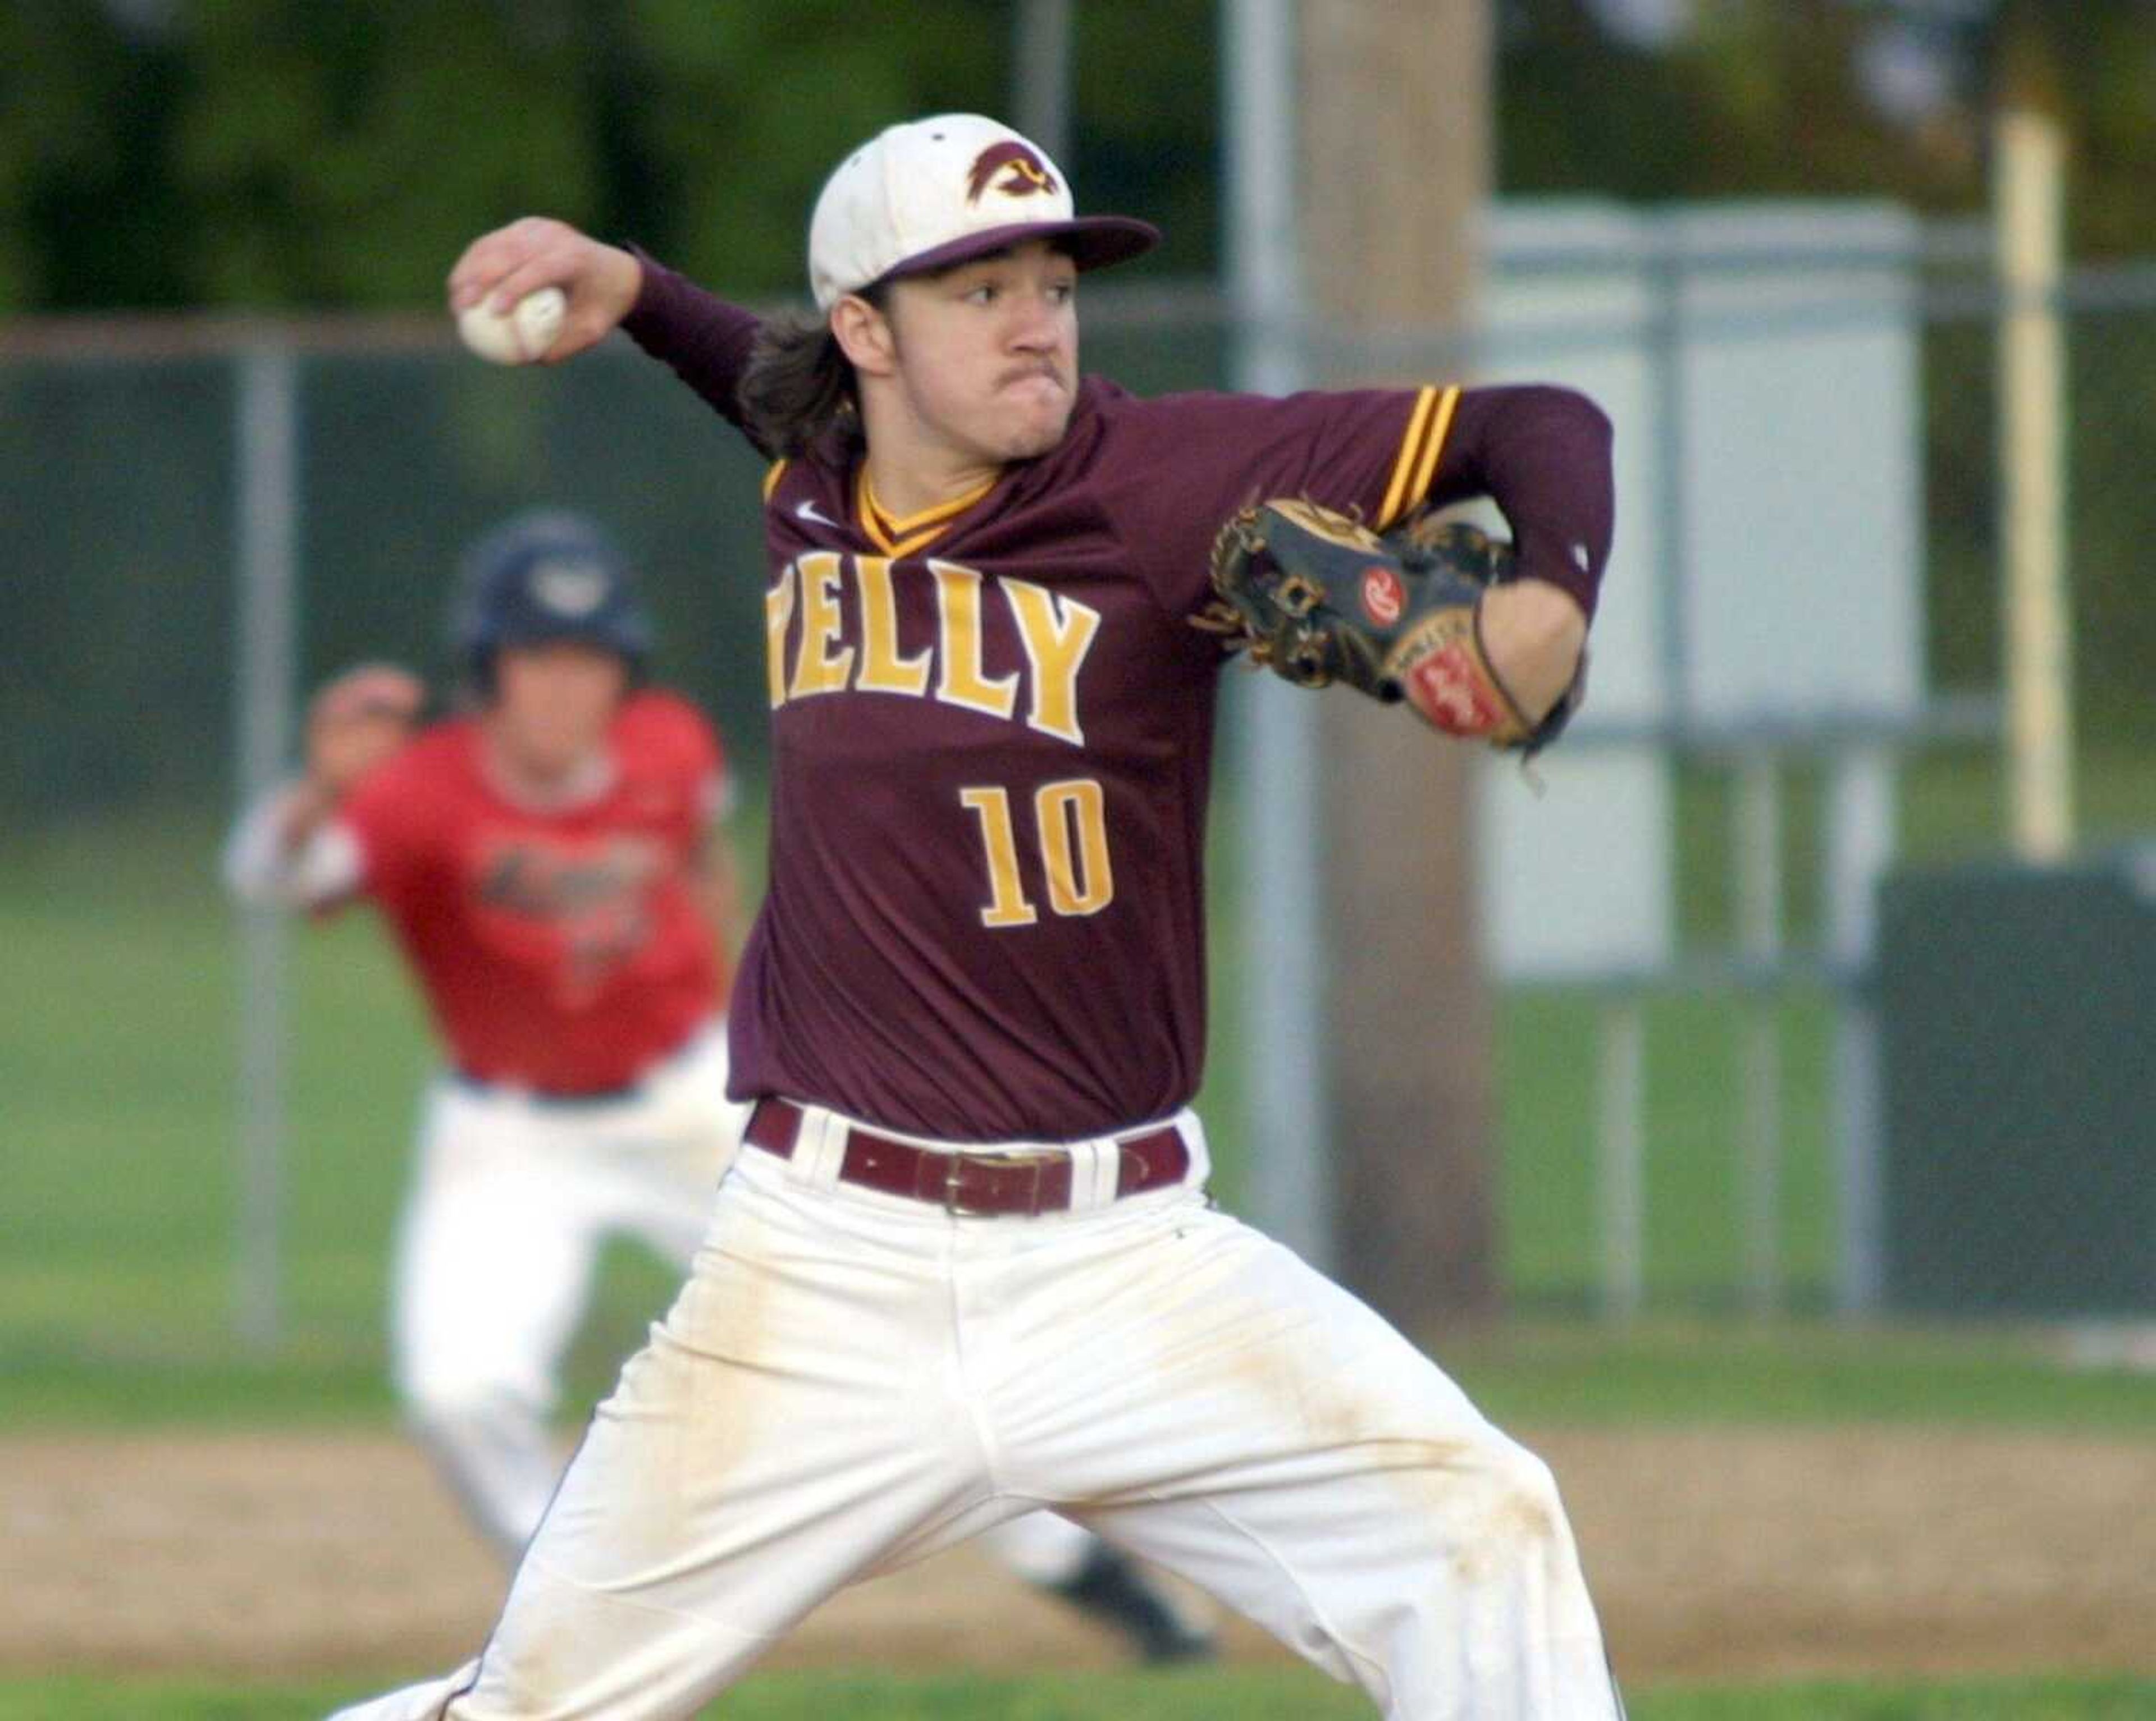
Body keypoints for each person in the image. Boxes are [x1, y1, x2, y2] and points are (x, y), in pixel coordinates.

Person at [332, 111, 1624, 1720]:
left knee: (1483, 1532)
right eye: (977, 286)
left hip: (1128, 1268)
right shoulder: (818, 470)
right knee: (533, 1704)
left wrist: (1550, 597)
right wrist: (640, 291)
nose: (1036, 318)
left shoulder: (1165, 486)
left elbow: (1535, 419)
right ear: (866, 334)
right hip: (819, 1273)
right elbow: (752, 363)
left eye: (1052, 280)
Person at [224, 507, 1211, 1664]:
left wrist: (764, 1015)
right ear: (486, 670)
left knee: (892, 1334)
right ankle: (581, 1617)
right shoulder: (418, 794)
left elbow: (711, 865)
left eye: (590, 662)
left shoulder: (670, 747)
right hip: (506, 1136)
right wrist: (314, 794)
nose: (565, 689)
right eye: (537, 659)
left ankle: (1077, 1567)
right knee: (461, 1392)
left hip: (687, 1102)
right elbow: (268, 880)